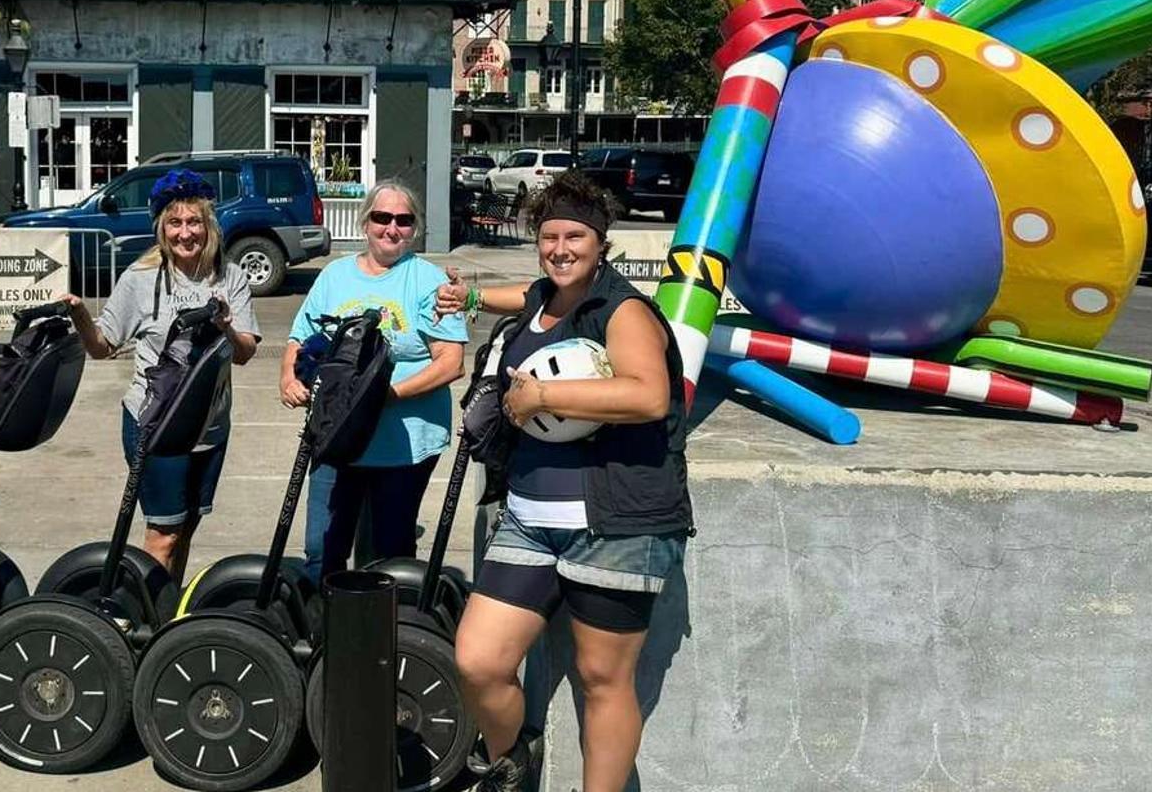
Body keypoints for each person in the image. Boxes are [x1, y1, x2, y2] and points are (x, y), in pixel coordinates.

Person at [438, 171, 691, 792]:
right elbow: (517, 297)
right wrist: (468, 297)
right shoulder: (543, 298)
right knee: (477, 660)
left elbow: (649, 395)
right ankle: (514, 760)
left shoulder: (623, 310)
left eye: (575, 236)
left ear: (601, 243)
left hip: (615, 525)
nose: (560, 249)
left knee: (602, 680)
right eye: (549, 237)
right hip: (529, 517)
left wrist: (544, 395)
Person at [64, 169, 260, 583]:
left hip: (210, 427)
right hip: (155, 424)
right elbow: (102, 347)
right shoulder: (139, 279)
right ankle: (143, 615)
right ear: (161, 228)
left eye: (194, 222)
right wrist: (82, 317)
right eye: (175, 223)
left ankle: (166, 611)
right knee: (163, 533)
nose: (185, 233)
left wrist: (226, 326)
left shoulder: (232, 276)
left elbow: (244, 354)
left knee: (187, 525)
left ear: (209, 226)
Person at [281, 180, 465, 579]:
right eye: (382, 218)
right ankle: (324, 630)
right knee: (322, 548)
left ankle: (388, 634)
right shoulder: (335, 275)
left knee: (389, 551)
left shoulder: (429, 280)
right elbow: (300, 335)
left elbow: (451, 363)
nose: (392, 228)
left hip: (404, 443)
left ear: (414, 229)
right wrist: (288, 378)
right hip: (337, 435)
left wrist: (385, 395)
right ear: (366, 223)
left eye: (403, 220)